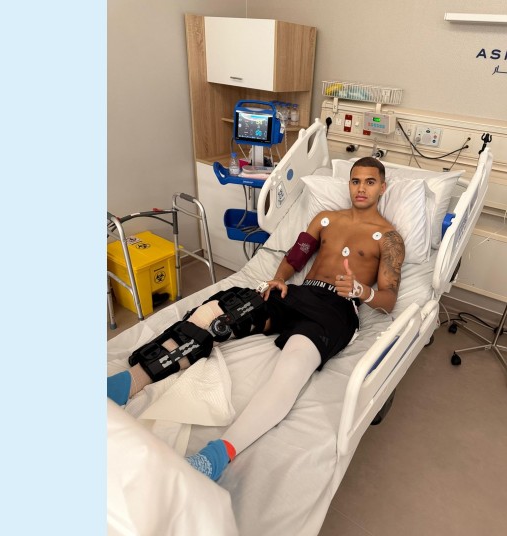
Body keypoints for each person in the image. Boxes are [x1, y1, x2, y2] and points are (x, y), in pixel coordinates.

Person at [107, 156, 406, 481]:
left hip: (336, 309)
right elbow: (296, 256)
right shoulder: (326, 219)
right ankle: (128, 382)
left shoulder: (389, 238)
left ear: (382, 187)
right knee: (216, 312)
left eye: (370, 182)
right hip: (298, 293)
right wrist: (279, 278)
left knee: (294, 365)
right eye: (355, 181)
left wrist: (362, 290)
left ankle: (216, 456)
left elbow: (389, 299)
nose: (361, 188)